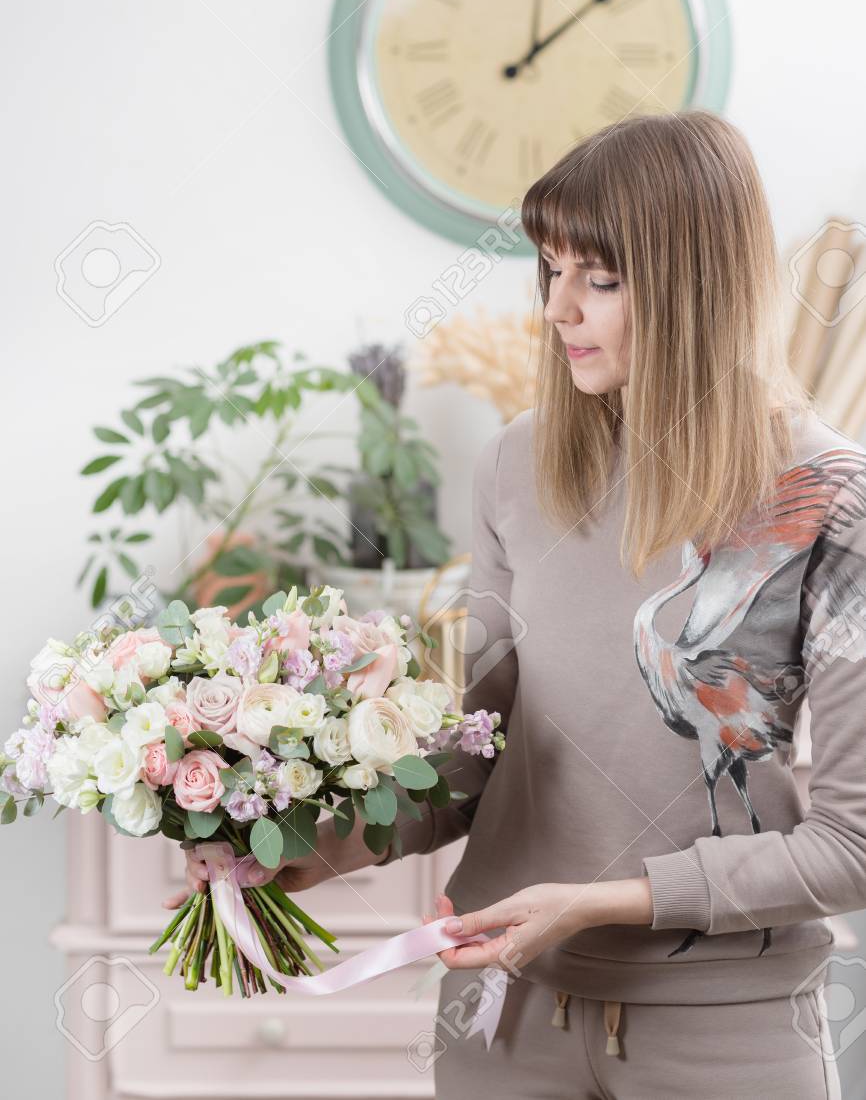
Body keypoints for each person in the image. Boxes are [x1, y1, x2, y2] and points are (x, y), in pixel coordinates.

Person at [167, 110, 866, 1098]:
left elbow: (849, 846)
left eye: (601, 278)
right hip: (506, 1018)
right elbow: (476, 742)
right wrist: (318, 844)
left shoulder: (831, 495)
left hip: (726, 1038)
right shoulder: (514, 464)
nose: (558, 308)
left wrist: (607, 901)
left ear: (695, 284)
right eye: (549, 270)